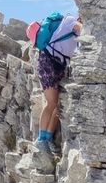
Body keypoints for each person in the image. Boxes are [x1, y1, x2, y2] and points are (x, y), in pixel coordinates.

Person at [26, 10, 80, 154]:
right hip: (48, 63)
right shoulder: (69, 21)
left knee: (58, 104)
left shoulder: (68, 25)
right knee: (52, 103)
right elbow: (81, 30)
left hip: (57, 65)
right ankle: (41, 139)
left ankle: (48, 137)